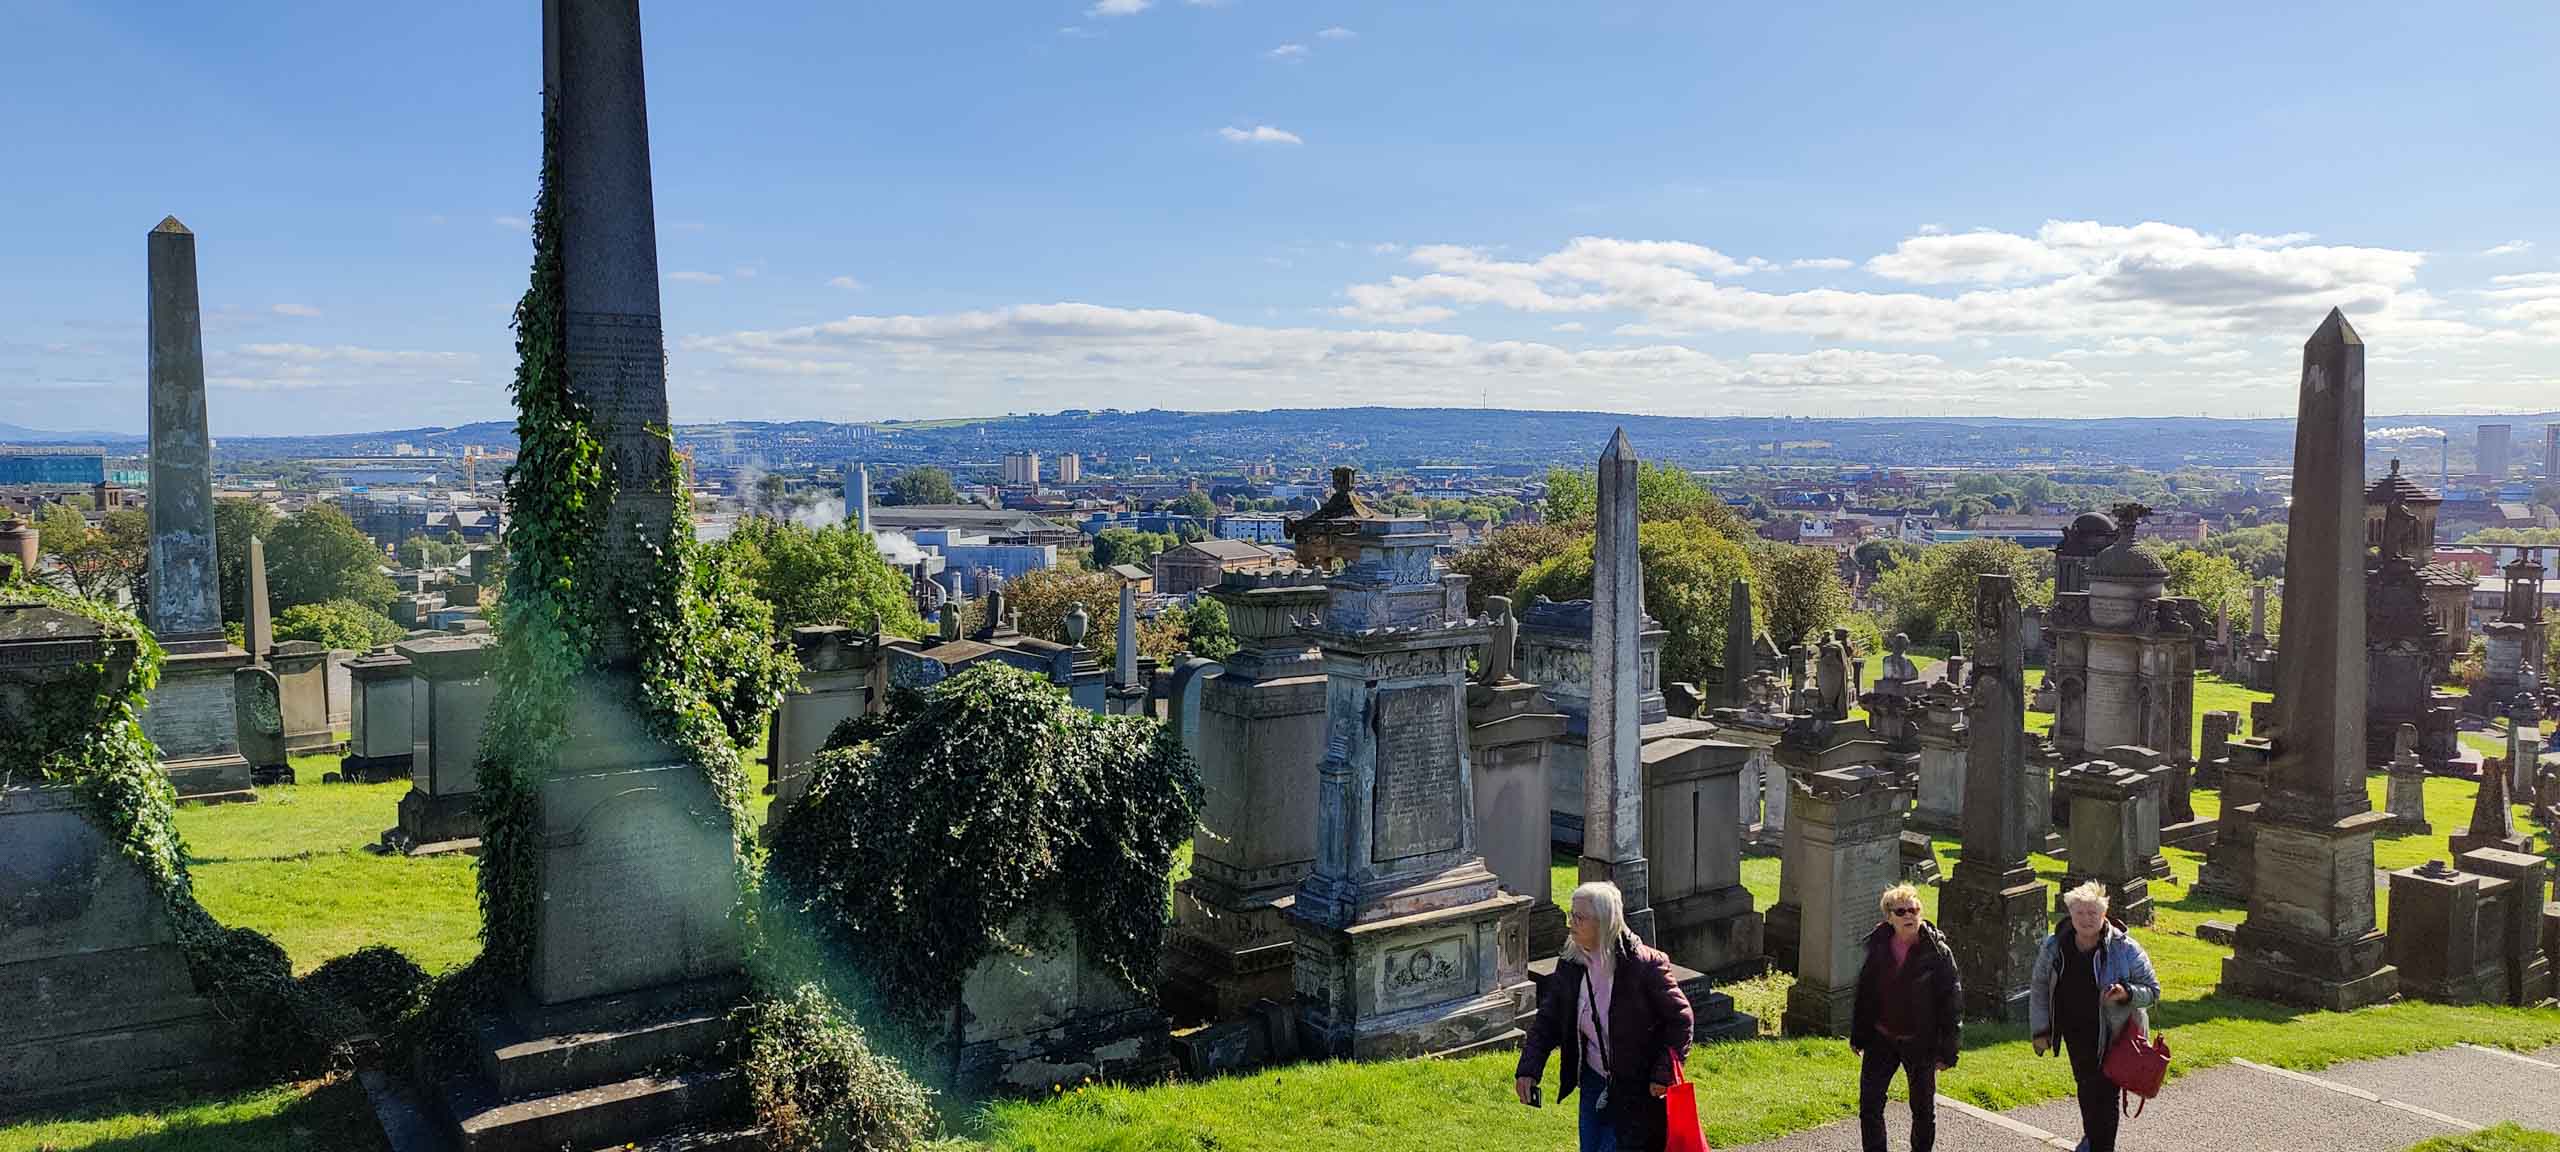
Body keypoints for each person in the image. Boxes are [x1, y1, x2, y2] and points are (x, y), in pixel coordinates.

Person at [1515, 881, 1696, 1152]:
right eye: (1571, 915)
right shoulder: (1571, 962)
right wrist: (1529, 1070)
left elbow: (1681, 1020)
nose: (1571, 923)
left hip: (1638, 1088)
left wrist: (1662, 1073)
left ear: (1604, 922)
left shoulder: (1645, 965)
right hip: (1593, 1081)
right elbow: (1549, 1020)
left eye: (1579, 917)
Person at [2029, 881, 2161, 1152]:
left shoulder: (2126, 948)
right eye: (2080, 913)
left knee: (2106, 1095)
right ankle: (2092, 1140)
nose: (2087, 919)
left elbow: (2153, 990)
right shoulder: (2054, 946)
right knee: (2087, 1089)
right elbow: (2040, 987)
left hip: (2115, 1035)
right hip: (2075, 1032)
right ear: (2070, 913)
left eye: (2093, 913)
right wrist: (2041, 1030)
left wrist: (2126, 992)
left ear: (2104, 914)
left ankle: (2100, 1146)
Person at [1849, 882, 1961, 1152]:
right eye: (1901, 911)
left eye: (1914, 909)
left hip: (1920, 1041)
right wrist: (1858, 1035)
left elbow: (1952, 1002)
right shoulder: (1877, 947)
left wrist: (1948, 1051)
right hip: (1881, 1037)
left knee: (1923, 1111)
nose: (1909, 915)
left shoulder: (1937, 952)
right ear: (1889, 917)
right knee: (1870, 1106)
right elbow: (1865, 994)